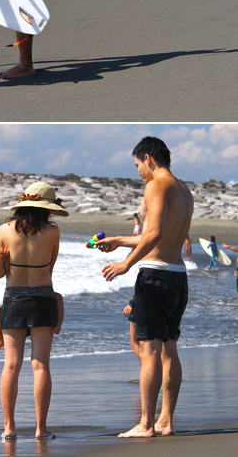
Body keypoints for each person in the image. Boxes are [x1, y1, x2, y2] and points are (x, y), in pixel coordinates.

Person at [97, 136, 193, 438]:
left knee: (149, 350)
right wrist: (120, 240)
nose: (139, 172)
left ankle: (146, 424)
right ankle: (165, 421)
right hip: (178, 276)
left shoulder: (155, 185)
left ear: (149, 159)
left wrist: (126, 263)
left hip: (154, 277)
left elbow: (153, 233)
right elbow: (161, 235)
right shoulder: (184, 189)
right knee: (169, 350)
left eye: (138, 165)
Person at [0, 180, 68, 441]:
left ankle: (9, 428)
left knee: (11, 365)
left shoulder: (4, 230)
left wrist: (5, 260)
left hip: (13, 298)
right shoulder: (53, 232)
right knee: (40, 366)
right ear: (46, 208)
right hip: (42, 297)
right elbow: (49, 270)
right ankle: (40, 429)